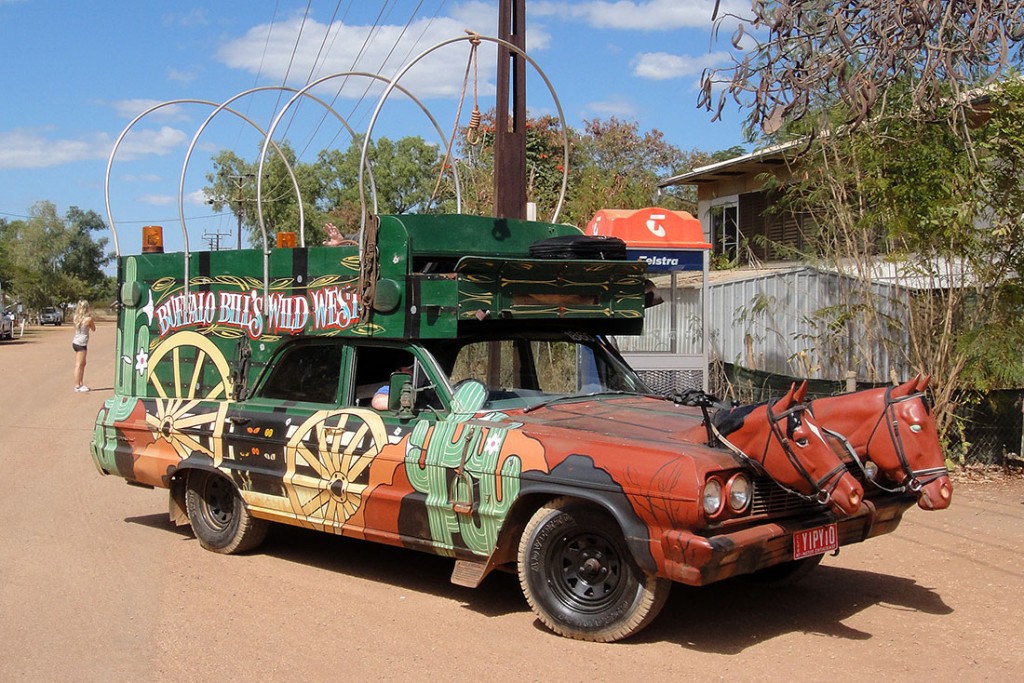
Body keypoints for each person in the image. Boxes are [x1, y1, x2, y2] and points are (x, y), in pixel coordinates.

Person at [72, 300, 96, 392]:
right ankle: (77, 385)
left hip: (76, 341)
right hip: (81, 343)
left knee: (83, 363)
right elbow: (93, 329)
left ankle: (81, 383)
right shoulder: (88, 319)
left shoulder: (76, 317)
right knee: (79, 365)